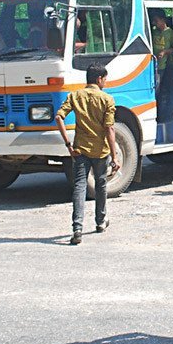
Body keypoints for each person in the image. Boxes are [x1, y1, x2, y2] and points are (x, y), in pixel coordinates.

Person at [56, 65, 121, 245]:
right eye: (105, 79)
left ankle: (77, 228)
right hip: (100, 151)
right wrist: (115, 156)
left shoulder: (75, 96)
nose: (105, 83)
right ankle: (100, 222)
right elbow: (109, 128)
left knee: (79, 187)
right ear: (99, 79)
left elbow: (58, 117)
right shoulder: (107, 99)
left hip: (80, 150)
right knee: (100, 185)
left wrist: (68, 144)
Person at [150, 10, 173, 122]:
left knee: (160, 91)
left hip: (163, 66)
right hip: (152, 65)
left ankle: (163, 116)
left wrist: (165, 52)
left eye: (157, 20)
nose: (155, 23)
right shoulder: (153, 32)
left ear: (163, 20)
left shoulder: (170, 33)